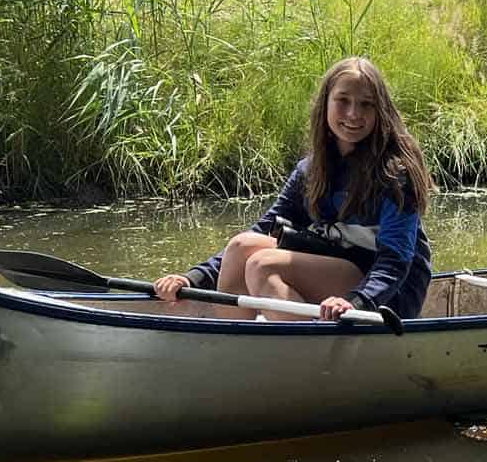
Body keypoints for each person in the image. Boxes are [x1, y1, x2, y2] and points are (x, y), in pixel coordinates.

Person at [153, 57, 434, 321]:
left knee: (263, 266)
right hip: (340, 262)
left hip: (386, 294)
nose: (353, 114)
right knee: (242, 246)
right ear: (325, 104)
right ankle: (237, 344)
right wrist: (193, 278)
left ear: (380, 111)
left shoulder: (396, 174)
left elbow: (395, 260)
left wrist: (356, 301)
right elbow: (263, 229)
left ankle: (311, 352)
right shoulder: (310, 170)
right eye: (343, 100)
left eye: (366, 105)